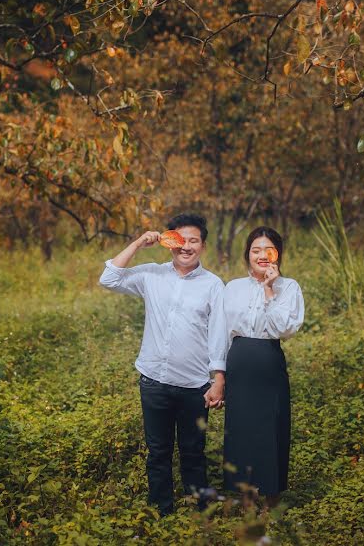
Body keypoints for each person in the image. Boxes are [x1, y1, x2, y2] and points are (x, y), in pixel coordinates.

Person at [99, 213, 227, 516]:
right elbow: (109, 278)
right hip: (154, 381)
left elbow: (219, 335)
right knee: (158, 453)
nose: (186, 247)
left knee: (193, 452)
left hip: (194, 385)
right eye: (180, 240)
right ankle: (162, 513)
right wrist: (140, 243)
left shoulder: (213, 285)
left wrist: (218, 379)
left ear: (203, 246)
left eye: (193, 241)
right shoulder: (152, 275)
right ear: (171, 242)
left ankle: (201, 514)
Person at [222, 226, 304, 508]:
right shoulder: (232, 287)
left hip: (269, 360)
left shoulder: (289, 287)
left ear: (277, 254)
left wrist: (270, 288)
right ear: (247, 253)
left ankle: (271, 500)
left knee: (272, 428)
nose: (261, 255)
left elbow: (284, 328)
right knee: (241, 430)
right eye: (255, 250)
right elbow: (221, 333)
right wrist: (217, 376)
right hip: (239, 361)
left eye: (267, 250)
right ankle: (246, 499)